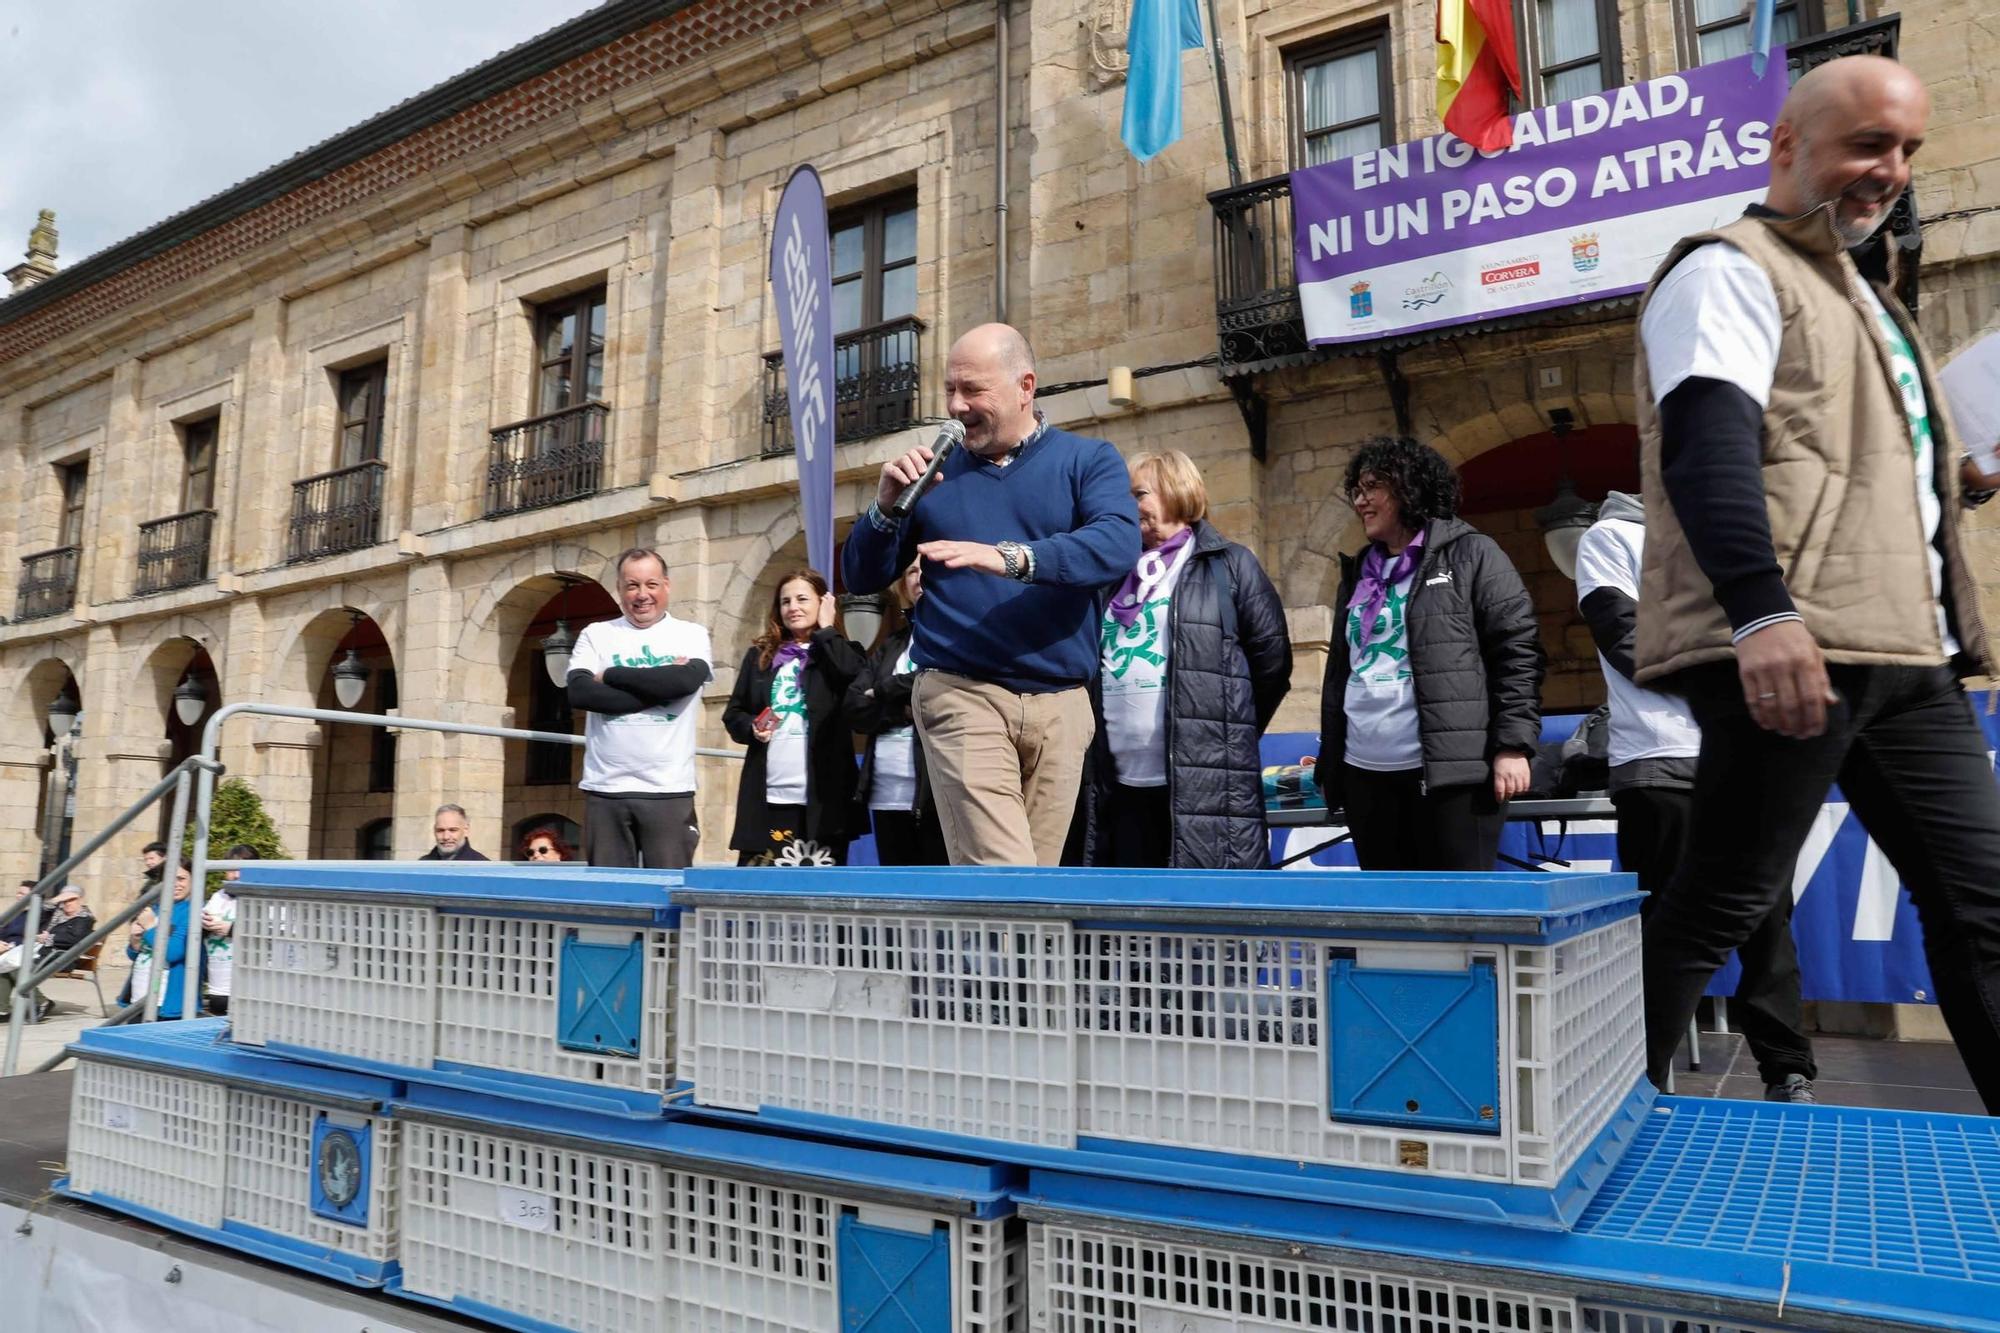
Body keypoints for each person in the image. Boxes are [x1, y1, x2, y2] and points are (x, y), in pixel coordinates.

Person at [1632, 55, 2000, 1113]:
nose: (1888, 171)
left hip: (1905, 655)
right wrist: (1760, 614)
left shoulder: (1868, 299)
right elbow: (1704, 454)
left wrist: (1962, 479)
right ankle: (1585, 1132)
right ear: (1785, 145)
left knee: (1981, 909)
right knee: (1720, 900)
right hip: (1793, 647)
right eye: (1864, 145)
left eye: (1904, 150)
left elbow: (1851, 472)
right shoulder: (1722, 269)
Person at [841, 323, 1141, 865]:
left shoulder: (1088, 460)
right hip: (962, 693)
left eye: (973, 390)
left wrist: (1010, 558)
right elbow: (861, 576)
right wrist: (884, 510)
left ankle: (968, 952)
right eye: (950, 390)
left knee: (1031, 893)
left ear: (1025, 385)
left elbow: (1117, 543)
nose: (956, 406)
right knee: (1004, 874)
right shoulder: (933, 475)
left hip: (1062, 704)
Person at [1577, 493, 1816, 1102]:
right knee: (1665, 930)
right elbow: (1626, 641)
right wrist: (1738, 694)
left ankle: (1787, 1070)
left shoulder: (1731, 534)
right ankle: (1642, 1080)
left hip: (1751, 760)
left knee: (1768, 924)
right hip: (1661, 760)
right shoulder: (1611, 538)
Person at [1316, 436, 1543, 870]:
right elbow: (1341, 671)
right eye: (1358, 491)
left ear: (1409, 488)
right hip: (1365, 775)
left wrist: (1512, 747)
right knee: (1391, 919)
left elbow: (1517, 652)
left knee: (1458, 918)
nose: (1361, 501)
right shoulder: (1358, 570)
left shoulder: (1473, 553)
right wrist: (1333, 768)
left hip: (1452, 777)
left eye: (1372, 488)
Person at [1083, 450, 1293, 868]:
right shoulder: (1110, 575)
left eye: (1138, 494)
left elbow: (1272, 663)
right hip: (1119, 785)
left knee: (1203, 919)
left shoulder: (1229, 565)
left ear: (1177, 491)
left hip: (1205, 784)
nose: (1127, 505)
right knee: (1131, 924)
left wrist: (1224, 731)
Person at [565, 548, 715, 868]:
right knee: (609, 900)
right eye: (632, 585)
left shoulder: (691, 634)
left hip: (669, 790)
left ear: (667, 586)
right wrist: (660, 688)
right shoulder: (596, 634)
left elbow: (686, 681)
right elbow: (579, 692)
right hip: (606, 791)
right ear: (619, 589)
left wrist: (611, 676)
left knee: (669, 895)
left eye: (651, 584)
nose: (642, 595)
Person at [723, 570, 867, 864]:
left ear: (822, 603)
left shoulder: (840, 652)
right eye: (785, 601)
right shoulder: (760, 656)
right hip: (770, 797)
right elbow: (734, 713)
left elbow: (853, 677)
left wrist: (827, 630)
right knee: (760, 890)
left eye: (802, 599)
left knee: (820, 893)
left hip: (823, 800)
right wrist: (751, 727)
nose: (793, 607)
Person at [847, 561, 949, 866]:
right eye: (911, 572)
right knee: (897, 891)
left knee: (937, 890)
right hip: (886, 791)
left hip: (935, 791)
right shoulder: (893, 643)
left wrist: (882, 691)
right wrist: (900, 710)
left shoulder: (954, 637)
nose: (919, 578)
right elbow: (854, 707)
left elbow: (936, 684)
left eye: (926, 569)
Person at [128, 860, 202, 1021]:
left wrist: (149, 927)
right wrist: (134, 941)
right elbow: (135, 954)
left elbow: (173, 952)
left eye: (181, 878)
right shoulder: (154, 908)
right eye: (169, 879)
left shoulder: (193, 911)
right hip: (138, 996)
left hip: (166, 1003)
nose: (175, 884)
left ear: (193, 880)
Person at [202, 844, 252, 1017]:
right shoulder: (219, 896)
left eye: (242, 869)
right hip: (218, 986)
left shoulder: (263, 897)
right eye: (231, 869)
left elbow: (273, 931)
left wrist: (231, 929)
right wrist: (204, 924)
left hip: (248, 989)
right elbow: (204, 920)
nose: (236, 875)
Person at [418, 804, 489, 861]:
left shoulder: (482, 867)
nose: (446, 837)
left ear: (466, 830)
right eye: (440, 830)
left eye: (453, 830)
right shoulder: (422, 865)